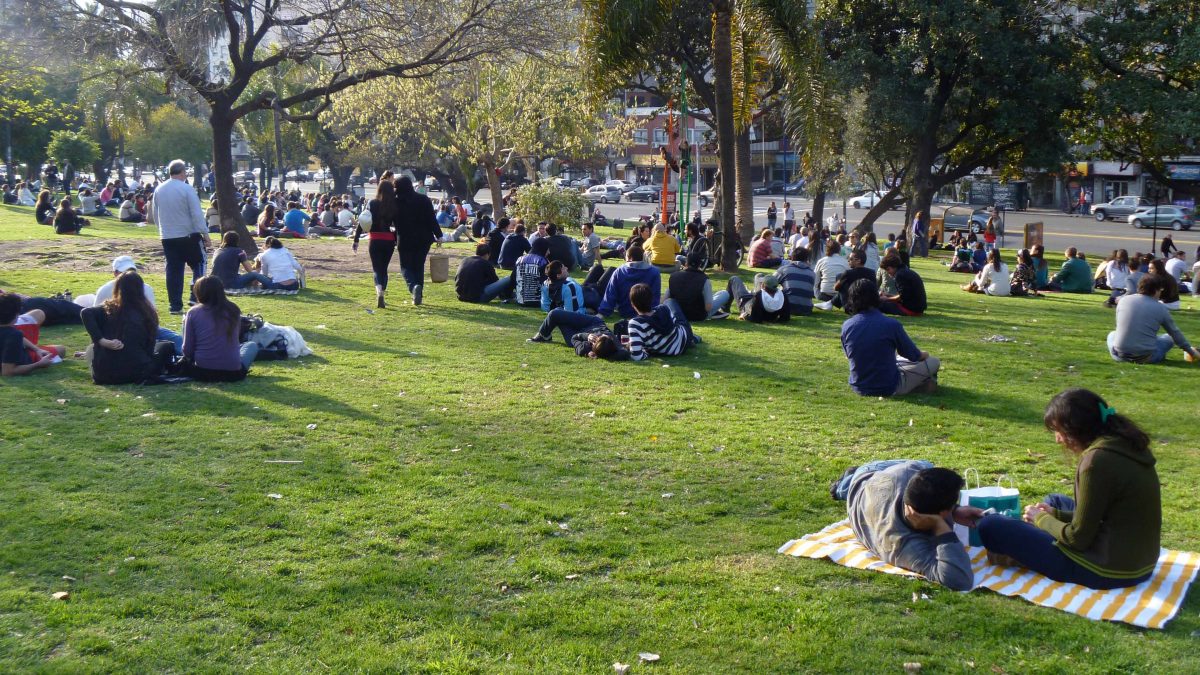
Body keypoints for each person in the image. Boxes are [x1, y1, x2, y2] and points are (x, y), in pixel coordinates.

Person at [978, 389, 1161, 589]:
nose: (1057, 439)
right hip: (1139, 562)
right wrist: (1054, 514)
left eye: (1059, 431)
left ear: (1077, 429)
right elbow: (1108, 514)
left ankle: (1020, 554)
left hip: (1108, 570)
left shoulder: (1096, 462)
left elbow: (1077, 539)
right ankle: (1030, 546)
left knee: (991, 525)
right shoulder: (1126, 443)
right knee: (1054, 501)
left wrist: (1041, 519)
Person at [831, 461, 978, 591]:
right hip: (862, 479)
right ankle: (843, 485)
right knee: (852, 482)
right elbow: (959, 580)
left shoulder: (912, 473)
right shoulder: (903, 546)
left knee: (925, 464)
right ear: (940, 514)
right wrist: (942, 527)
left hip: (878, 477)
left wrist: (955, 510)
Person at [841, 278, 939, 396]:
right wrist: (925, 354)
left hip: (858, 386)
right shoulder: (891, 324)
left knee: (896, 358)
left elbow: (849, 355)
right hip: (888, 387)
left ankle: (919, 385)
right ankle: (923, 385)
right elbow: (914, 355)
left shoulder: (847, 325)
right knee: (934, 361)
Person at [80, 271, 175, 385]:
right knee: (166, 346)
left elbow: (85, 312)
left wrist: (101, 340)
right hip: (136, 373)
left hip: (103, 375)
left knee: (92, 349)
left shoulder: (108, 308)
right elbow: (149, 348)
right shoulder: (148, 313)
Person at [153, 160, 211, 314]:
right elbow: (196, 213)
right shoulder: (187, 189)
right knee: (200, 263)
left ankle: (175, 305)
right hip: (188, 235)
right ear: (182, 172)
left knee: (173, 270)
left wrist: (162, 231)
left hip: (167, 236)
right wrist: (205, 233)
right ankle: (196, 295)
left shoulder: (159, 189)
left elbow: (155, 214)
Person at [180, 276, 258, 382]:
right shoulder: (233, 309)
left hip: (202, 371)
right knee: (251, 345)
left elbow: (187, 351)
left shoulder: (193, 312)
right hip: (233, 373)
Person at [1106, 274, 1198, 363]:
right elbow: (1175, 334)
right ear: (1156, 290)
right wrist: (1191, 353)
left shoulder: (1123, 301)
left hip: (1118, 355)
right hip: (1145, 357)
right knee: (1168, 338)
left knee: (1112, 334)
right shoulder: (1160, 308)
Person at [394, 176, 442, 305]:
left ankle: (413, 287)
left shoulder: (396, 201)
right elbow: (432, 219)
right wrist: (439, 235)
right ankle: (418, 292)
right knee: (419, 266)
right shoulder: (423, 199)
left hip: (405, 238)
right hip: (423, 238)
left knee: (405, 267)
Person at [353, 180, 400, 308]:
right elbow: (398, 226)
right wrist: (396, 239)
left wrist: (356, 239)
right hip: (388, 240)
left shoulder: (372, 203)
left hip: (374, 239)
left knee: (376, 268)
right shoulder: (394, 205)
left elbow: (362, 221)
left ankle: (379, 290)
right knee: (384, 268)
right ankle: (383, 291)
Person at [626, 283, 698, 361]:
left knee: (670, 306)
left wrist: (646, 351)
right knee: (670, 301)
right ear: (651, 299)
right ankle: (693, 338)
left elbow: (636, 356)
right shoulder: (664, 309)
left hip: (669, 349)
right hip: (683, 341)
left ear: (632, 304)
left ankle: (694, 338)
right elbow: (675, 325)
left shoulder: (635, 323)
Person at [0, 292, 61, 377]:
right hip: (24, 359)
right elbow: (7, 372)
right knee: (61, 349)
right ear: (16, 315)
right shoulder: (14, 335)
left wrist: (37, 349)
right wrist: (38, 365)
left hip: (20, 352)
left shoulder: (13, 333)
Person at [596, 246, 661, 319]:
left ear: (628, 258)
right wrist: (653, 312)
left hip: (625, 311)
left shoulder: (620, 271)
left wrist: (603, 312)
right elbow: (655, 295)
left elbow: (611, 293)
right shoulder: (654, 272)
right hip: (647, 312)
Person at [664, 249, 725, 321]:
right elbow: (708, 307)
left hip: (677, 313)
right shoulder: (704, 279)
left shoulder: (674, 276)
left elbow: (665, 300)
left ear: (686, 263)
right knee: (724, 293)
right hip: (698, 316)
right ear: (699, 264)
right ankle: (714, 313)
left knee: (669, 299)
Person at [720, 273, 791, 323]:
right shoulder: (782, 295)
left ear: (763, 285)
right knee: (759, 275)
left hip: (745, 303)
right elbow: (785, 318)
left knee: (734, 279)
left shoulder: (759, 295)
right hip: (757, 303)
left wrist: (745, 316)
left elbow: (755, 319)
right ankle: (752, 291)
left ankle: (725, 308)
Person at [772, 245, 816, 316]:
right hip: (806, 308)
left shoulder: (784, 269)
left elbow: (769, 283)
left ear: (792, 257)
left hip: (786, 307)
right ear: (807, 259)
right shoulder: (812, 273)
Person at [510, 237, 551, 307]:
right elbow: (547, 282)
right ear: (543, 248)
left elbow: (512, 279)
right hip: (539, 301)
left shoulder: (520, 259)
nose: (549, 252)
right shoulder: (542, 261)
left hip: (521, 300)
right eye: (548, 249)